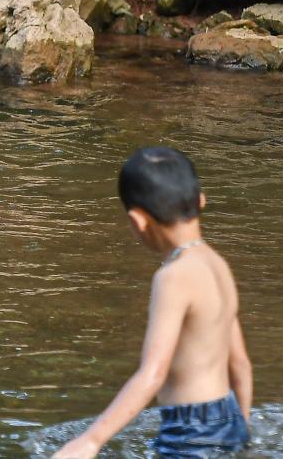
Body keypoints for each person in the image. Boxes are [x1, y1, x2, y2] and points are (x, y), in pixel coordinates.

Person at [54, 147, 252, 458]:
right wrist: (243, 428)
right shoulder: (217, 264)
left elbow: (153, 374)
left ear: (138, 221)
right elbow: (239, 363)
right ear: (201, 199)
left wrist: (91, 440)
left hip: (189, 431)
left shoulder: (173, 276)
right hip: (229, 417)